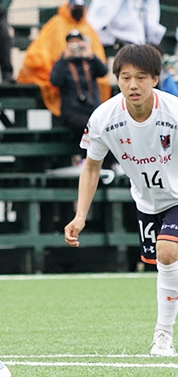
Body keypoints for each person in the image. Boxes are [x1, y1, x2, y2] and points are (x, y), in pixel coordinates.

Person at [64, 44, 178, 357]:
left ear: (155, 79)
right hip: (147, 203)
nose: (133, 85)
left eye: (141, 77)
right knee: (165, 265)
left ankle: (162, 337)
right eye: (125, 77)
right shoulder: (103, 118)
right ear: (116, 79)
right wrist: (80, 216)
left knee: (169, 253)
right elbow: (91, 167)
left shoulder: (174, 112)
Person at [17, 0, 111, 117]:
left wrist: (91, 56)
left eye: (80, 9)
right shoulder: (56, 24)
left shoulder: (88, 28)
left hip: (87, 86)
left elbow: (102, 69)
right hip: (68, 90)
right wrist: (64, 58)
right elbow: (40, 53)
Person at [50, 30, 109, 142]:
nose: (75, 47)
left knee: (106, 127)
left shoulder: (89, 61)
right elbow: (55, 81)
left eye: (78, 43)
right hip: (73, 111)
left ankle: (105, 159)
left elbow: (104, 71)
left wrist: (91, 56)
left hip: (92, 109)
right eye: (72, 44)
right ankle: (90, 158)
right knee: (90, 127)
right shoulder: (63, 64)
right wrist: (64, 58)